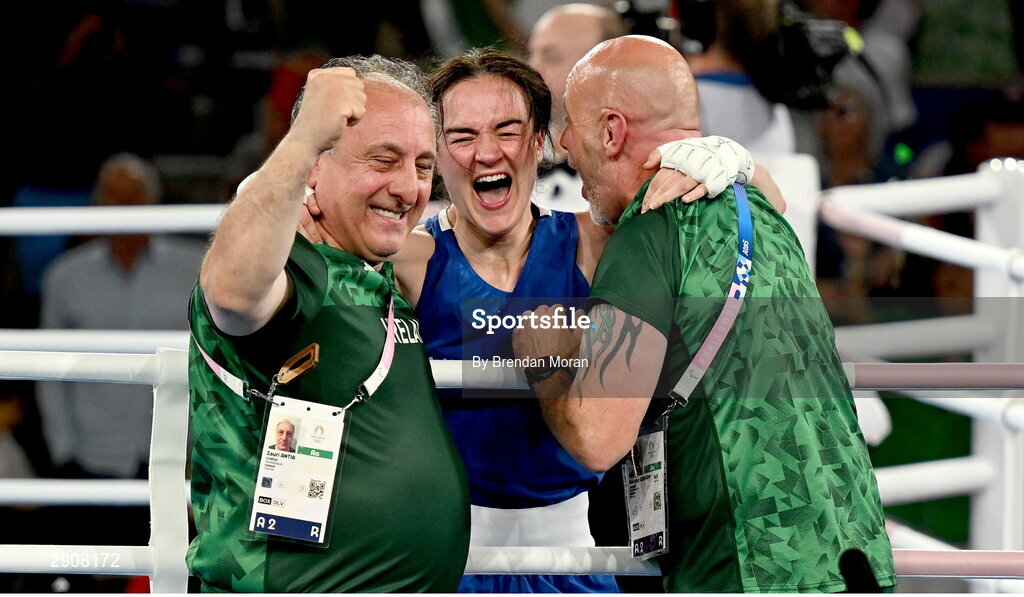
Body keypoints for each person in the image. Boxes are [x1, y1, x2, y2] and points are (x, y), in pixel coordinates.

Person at [512, 36, 896, 592]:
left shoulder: (649, 232)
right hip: (854, 557)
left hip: (749, 570)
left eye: (571, 122)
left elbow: (597, 438)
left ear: (613, 130)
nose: (565, 143)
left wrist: (544, 360)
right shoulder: (762, 208)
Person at [187, 55, 469, 592]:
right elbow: (231, 290)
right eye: (384, 160)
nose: (409, 187)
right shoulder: (296, 265)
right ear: (317, 167)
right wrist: (299, 143)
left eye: (423, 166)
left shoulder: (375, 271)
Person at [39, 153, 206, 480]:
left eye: (135, 196)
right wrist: (62, 449)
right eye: (115, 197)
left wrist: (205, 446)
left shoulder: (196, 269)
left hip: (178, 452)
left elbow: (214, 357)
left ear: (153, 202)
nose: (126, 207)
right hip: (92, 451)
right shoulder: (65, 277)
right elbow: (48, 370)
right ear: (98, 204)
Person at [528, 4, 628, 212]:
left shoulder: (639, 167)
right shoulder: (513, 152)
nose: (531, 70)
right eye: (531, 54)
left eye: (550, 56)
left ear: (604, 69)